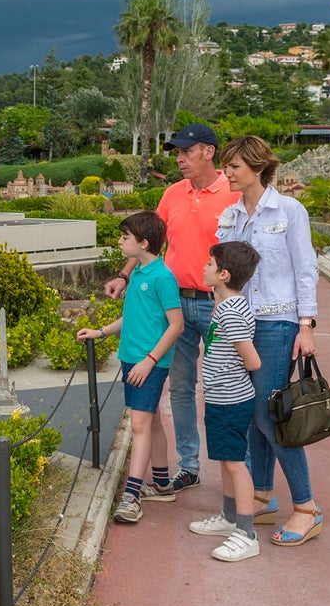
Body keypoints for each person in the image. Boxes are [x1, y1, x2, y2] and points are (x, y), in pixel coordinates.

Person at [104, 124, 240, 494]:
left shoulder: (233, 192)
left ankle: (236, 476)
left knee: (225, 388)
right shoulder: (172, 194)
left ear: (208, 152)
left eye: (186, 151)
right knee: (180, 388)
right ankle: (190, 466)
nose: (179, 159)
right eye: (177, 153)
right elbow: (151, 243)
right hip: (174, 303)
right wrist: (124, 275)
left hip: (216, 306)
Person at [215, 135, 322, 546]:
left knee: (270, 414)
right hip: (240, 322)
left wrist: (307, 325)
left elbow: (305, 269)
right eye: (226, 166)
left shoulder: (290, 211)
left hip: (277, 323)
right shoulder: (229, 215)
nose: (227, 173)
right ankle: (260, 495)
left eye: (234, 167)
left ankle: (307, 508)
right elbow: (222, 274)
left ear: (258, 169)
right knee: (250, 413)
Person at [79, 211, 184, 523]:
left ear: (144, 242)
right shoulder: (139, 271)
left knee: (139, 426)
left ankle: (131, 496)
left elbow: (176, 325)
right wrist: (102, 332)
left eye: (125, 238)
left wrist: (149, 362)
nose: (120, 242)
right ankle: (163, 484)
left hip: (147, 363)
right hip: (133, 359)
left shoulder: (163, 277)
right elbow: (135, 316)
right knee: (150, 423)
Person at [188, 241, 263, 562]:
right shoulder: (227, 307)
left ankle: (246, 532)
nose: (203, 268)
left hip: (232, 401)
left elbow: (253, 361)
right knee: (225, 460)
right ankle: (229, 517)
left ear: (223, 273)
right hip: (220, 399)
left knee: (235, 463)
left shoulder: (232, 312)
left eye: (208, 264)